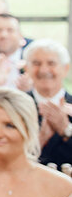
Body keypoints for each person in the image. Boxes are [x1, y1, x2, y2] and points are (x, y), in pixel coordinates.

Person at [22, 39, 72, 167]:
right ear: (26, 68)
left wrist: (66, 130)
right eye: (36, 63)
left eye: (51, 63)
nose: (44, 70)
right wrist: (40, 139)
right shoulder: (17, 106)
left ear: (65, 68)